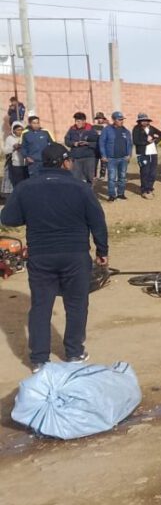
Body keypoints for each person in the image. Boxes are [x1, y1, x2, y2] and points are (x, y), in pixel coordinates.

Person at [0, 143, 108, 373]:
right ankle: (74, 352)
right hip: (75, 255)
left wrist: (32, 214)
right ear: (65, 162)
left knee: (40, 306)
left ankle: (39, 359)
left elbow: (9, 217)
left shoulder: (26, 187)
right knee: (76, 304)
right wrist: (102, 251)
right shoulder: (80, 188)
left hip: (41, 256)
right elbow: (97, 222)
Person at [98, 111, 133, 202]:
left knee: (122, 177)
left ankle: (121, 194)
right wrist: (104, 155)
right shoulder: (107, 130)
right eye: (119, 119)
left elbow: (129, 144)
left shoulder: (126, 131)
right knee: (112, 178)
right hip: (111, 158)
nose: (122, 121)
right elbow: (101, 143)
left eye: (122, 119)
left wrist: (129, 154)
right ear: (114, 120)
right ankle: (112, 195)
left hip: (123, 158)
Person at [132, 113, 161, 199]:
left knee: (153, 172)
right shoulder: (136, 129)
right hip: (143, 153)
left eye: (146, 120)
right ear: (139, 121)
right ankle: (144, 190)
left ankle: (149, 188)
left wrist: (155, 140)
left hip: (153, 153)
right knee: (144, 171)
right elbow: (136, 141)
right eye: (142, 121)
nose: (144, 122)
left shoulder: (151, 128)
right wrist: (147, 142)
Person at [64, 112, 100, 188]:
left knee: (90, 177)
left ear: (84, 121)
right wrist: (74, 143)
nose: (77, 123)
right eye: (76, 121)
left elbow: (97, 143)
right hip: (76, 158)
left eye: (79, 121)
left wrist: (88, 143)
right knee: (76, 177)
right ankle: (79, 194)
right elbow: (67, 141)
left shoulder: (91, 129)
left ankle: (89, 193)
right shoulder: (72, 129)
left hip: (89, 157)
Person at [2, 121, 26, 196]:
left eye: (21, 129)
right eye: (18, 130)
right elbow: (5, 151)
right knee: (17, 183)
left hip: (26, 164)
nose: (20, 131)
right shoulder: (10, 138)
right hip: (16, 164)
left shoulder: (25, 137)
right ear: (14, 130)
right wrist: (14, 147)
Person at [92, 112, 109, 180]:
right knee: (94, 162)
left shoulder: (106, 127)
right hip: (95, 147)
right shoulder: (93, 126)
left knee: (103, 162)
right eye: (98, 118)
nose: (99, 120)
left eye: (101, 118)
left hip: (104, 147)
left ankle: (102, 175)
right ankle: (94, 175)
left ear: (103, 119)